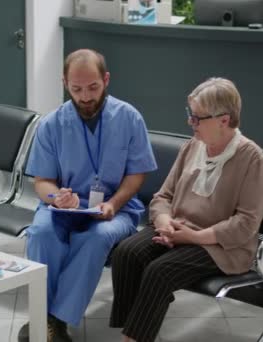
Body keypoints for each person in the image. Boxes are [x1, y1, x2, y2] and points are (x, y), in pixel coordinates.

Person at [109, 77, 263, 342]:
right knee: (126, 253)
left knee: (159, 272)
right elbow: (164, 195)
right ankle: (137, 331)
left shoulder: (251, 158)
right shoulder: (192, 146)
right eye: (190, 115)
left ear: (224, 120)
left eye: (198, 118)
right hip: (177, 231)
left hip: (218, 247)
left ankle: (134, 337)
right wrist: (163, 221)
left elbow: (246, 224)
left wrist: (194, 237)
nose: (190, 122)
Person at [19, 49, 157, 342]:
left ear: (106, 80)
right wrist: (57, 198)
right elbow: (43, 181)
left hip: (118, 208)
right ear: (64, 83)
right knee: (41, 233)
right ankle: (43, 316)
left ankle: (52, 320)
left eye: (93, 87)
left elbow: (137, 175)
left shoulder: (129, 118)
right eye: (76, 88)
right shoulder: (51, 124)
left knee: (96, 237)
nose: (85, 97)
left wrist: (113, 203)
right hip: (63, 207)